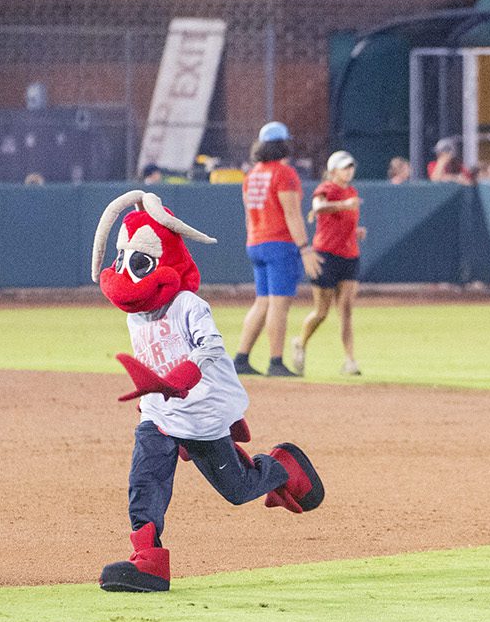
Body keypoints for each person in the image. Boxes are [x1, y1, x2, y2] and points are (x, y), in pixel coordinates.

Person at [90, 190, 323, 592]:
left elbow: (213, 348)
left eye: (140, 262)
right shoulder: (137, 315)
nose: (127, 272)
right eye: (121, 261)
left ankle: (281, 467)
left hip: (203, 414)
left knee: (237, 490)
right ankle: (148, 561)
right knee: (144, 480)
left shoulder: (187, 305)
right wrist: (153, 394)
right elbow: (151, 358)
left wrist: (183, 377)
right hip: (161, 416)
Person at [233, 122, 319, 377]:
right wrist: (305, 249)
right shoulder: (284, 174)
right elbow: (292, 215)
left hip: (256, 242)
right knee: (279, 305)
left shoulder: (252, 175)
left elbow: (249, 215)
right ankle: (275, 361)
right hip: (279, 244)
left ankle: (241, 358)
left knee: (262, 302)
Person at [290, 151, 365, 378]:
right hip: (326, 256)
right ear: (333, 171)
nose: (349, 171)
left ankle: (350, 361)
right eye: (344, 167)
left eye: (350, 167)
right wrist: (344, 205)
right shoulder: (327, 189)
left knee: (346, 311)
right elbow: (319, 207)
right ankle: (300, 343)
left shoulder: (351, 191)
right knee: (321, 311)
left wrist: (355, 231)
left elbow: (342, 221)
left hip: (349, 255)